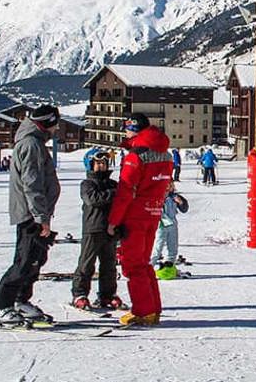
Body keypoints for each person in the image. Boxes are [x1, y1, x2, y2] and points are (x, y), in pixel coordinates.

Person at [0, 105, 62, 325]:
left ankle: (19, 300)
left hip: (36, 212)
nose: (57, 128)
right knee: (24, 260)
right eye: (55, 124)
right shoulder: (31, 144)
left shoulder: (35, 142)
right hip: (30, 213)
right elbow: (32, 184)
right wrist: (41, 217)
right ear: (46, 123)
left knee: (35, 260)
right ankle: (0, 305)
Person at [107, 113, 174, 326]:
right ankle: (152, 309)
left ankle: (143, 311)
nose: (124, 132)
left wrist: (114, 220)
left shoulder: (136, 155)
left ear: (133, 128)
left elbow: (126, 190)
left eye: (126, 127)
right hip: (153, 212)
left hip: (135, 214)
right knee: (144, 263)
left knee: (132, 264)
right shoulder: (165, 154)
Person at [72, 149, 122, 310]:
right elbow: (93, 199)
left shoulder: (112, 184)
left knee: (109, 264)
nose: (101, 166)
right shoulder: (87, 184)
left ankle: (107, 295)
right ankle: (80, 294)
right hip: (93, 228)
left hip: (110, 229)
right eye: (97, 163)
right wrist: (114, 194)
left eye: (103, 163)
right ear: (90, 165)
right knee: (87, 264)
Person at [151, 181, 189, 269]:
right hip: (161, 226)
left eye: (170, 185)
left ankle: (169, 266)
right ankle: (148, 267)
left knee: (173, 247)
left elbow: (184, 209)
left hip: (172, 225)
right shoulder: (156, 196)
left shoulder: (174, 197)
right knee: (157, 248)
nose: (168, 188)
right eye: (166, 185)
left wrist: (181, 203)